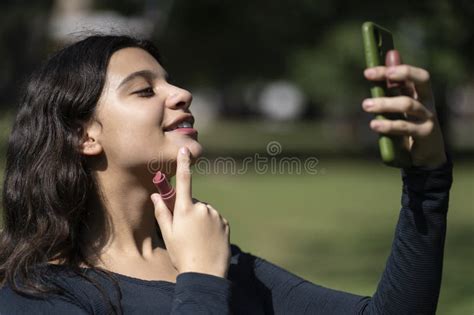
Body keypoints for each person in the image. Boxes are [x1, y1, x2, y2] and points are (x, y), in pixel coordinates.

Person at [0, 35, 452, 314]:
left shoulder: (220, 260)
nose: (182, 93)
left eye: (170, 81)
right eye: (143, 90)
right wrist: (200, 280)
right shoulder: (38, 296)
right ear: (84, 136)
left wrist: (427, 180)